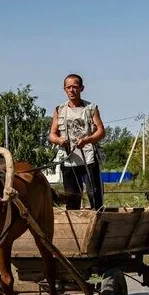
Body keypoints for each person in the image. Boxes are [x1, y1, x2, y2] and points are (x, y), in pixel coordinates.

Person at [48, 73, 106, 210]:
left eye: (75, 87)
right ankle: (76, 225)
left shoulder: (91, 108)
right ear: (64, 89)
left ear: (82, 88)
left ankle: (98, 219)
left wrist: (87, 140)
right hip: (69, 159)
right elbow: (52, 135)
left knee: (94, 193)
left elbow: (101, 132)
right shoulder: (59, 110)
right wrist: (59, 140)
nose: (71, 90)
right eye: (68, 87)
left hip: (89, 157)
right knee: (72, 196)